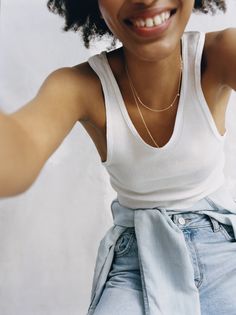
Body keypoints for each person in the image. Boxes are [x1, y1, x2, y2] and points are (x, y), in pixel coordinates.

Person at [1, 0, 236, 314]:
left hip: (222, 243)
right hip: (138, 260)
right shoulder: (79, 87)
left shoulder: (220, 53)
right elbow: (19, 150)